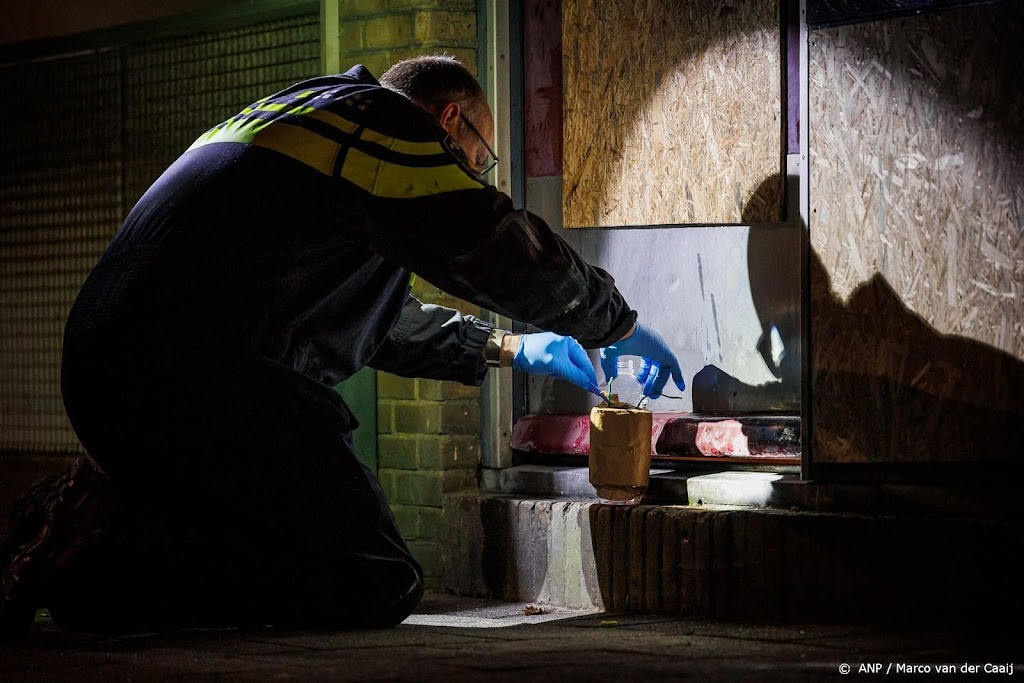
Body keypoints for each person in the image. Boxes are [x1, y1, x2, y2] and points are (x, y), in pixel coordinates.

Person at [0, 54, 685, 639]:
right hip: (200, 377)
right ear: (447, 119)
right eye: (482, 157)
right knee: (372, 576)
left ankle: (104, 534)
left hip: (115, 369)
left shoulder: (305, 117)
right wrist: (612, 322)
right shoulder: (381, 122)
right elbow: (488, 236)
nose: (479, 174)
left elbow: (361, 315)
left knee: (283, 537)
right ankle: (102, 559)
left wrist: (506, 348)